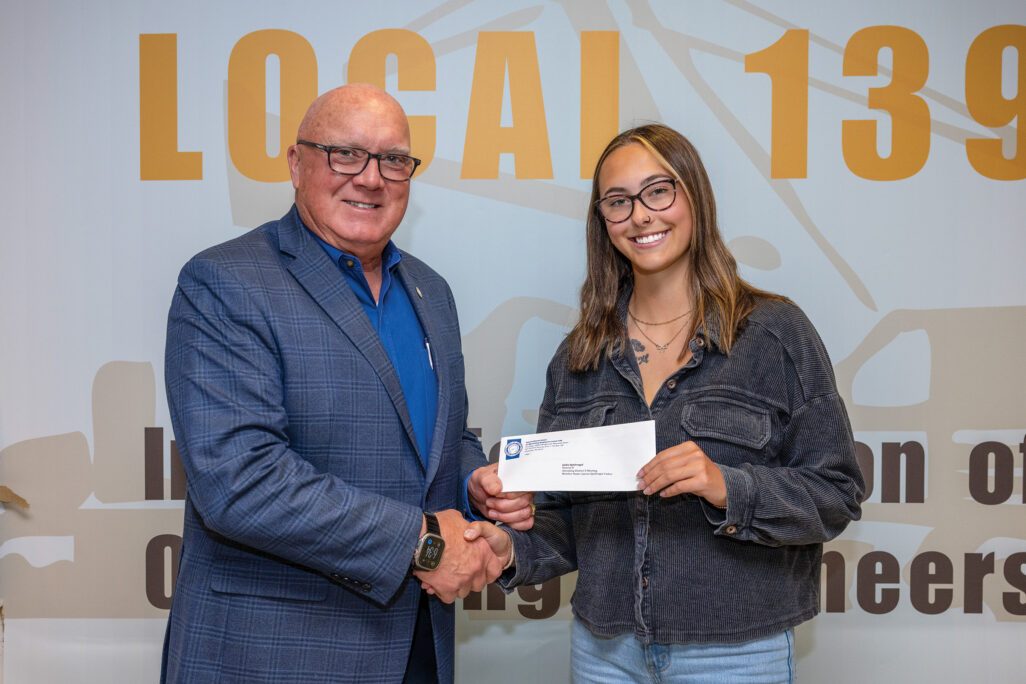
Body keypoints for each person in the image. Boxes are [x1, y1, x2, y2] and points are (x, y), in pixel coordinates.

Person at [161, 84, 532, 684]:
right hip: (276, 655)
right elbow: (240, 480)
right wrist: (427, 544)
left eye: (393, 160)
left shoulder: (431, 293)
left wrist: (472, 486)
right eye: (344, 154)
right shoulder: (225, 282)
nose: (370, 178)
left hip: (415, 644)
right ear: (295, 163)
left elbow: (442, 437)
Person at [470, 124, 865, 683]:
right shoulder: (579, 356)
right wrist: (509, 545)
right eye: (618, 201)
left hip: (735, 653)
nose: (641, 215)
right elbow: (566, 524)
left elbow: (837, 492)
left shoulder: (774, 333)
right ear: (603, 222)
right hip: (604, 652)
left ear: (694, 197)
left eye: (659, 190)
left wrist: (727, 485)